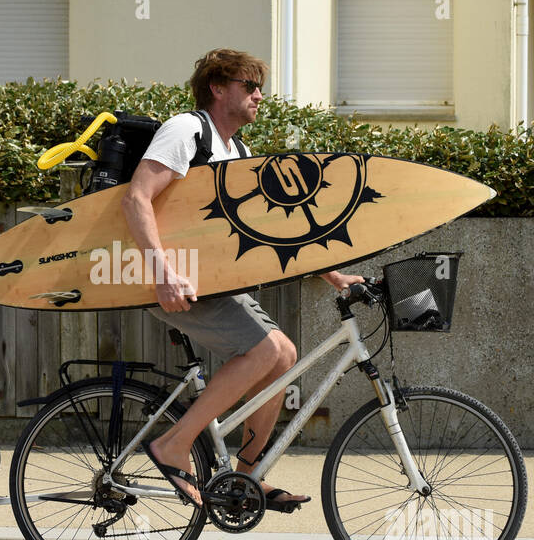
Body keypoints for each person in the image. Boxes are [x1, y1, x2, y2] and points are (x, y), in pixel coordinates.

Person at [120, 48, 366, 512]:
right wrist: (162, 272)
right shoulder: (187, 131)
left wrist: (334, 275)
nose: (258, 96)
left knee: (284, 354)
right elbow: (136, 198)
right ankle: (174, 444)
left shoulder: (240, 153)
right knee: (266, 349)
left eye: (259, 88)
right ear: (217, 88)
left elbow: (273, 230)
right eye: (249, 86)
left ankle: (247, 476)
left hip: (211, 280)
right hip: (175, 279)